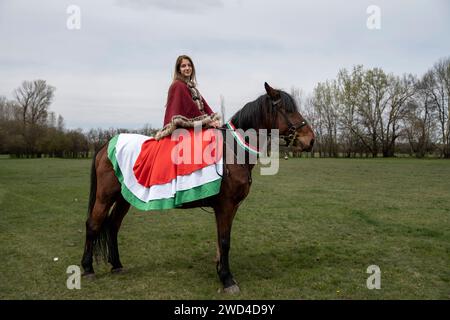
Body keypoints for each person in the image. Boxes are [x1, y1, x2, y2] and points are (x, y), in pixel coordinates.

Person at [155, 55, 221, 140]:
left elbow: (205, 106)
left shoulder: (192, 88)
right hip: (184, 128)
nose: (187, 68)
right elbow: (190, 108)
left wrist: (213, 119)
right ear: (179, 69)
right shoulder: (178, 85)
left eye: (189, 65)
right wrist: (208, 122)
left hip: (197, 125)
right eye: (183, 66)